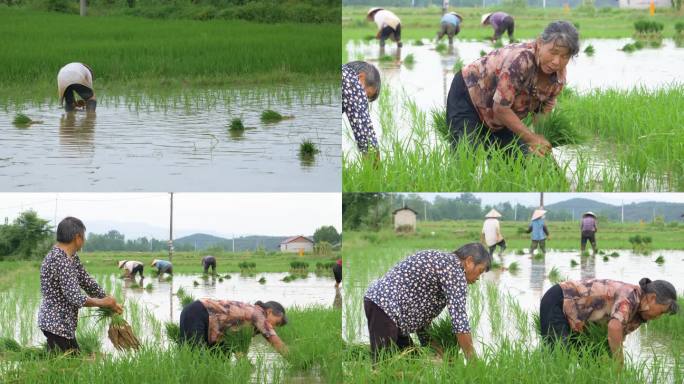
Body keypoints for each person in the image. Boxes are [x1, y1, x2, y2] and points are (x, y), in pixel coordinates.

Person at [447, 21, 578, 156]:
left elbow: (541, 113)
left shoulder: (558, 78)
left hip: (501, 115)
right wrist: (531, 138)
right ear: (540, 43)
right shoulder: (520, 61)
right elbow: (500, 108)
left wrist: (539, 139)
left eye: (564, 56)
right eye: (553, 52)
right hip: (470, 95)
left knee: (522, 161)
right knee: (466, 155)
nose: (556, 61)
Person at [364, 243, 492, 363]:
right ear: (469, 262)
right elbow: (460, 323)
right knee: (384, 365)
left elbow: (421, 318)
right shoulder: (454, 271)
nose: (478, 278)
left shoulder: (443, 263)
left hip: (388, 311)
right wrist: (473, 361)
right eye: (480, 271)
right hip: (384, 307)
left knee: (412, 362)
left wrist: (440, 353)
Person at [540, 278, 679, 366]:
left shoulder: (639, 315)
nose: (659, 316)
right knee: (559, 357)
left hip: (580, 320)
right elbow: (614, 327)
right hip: (560, 300)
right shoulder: (630, 296)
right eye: (661, 311)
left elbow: (616, 339)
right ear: (652, 298)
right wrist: (619, 364)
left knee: (592, 363)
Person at [37, 217, 123, 354]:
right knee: (70, 366)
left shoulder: (71, 256)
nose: (84, 240)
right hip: (56, 324)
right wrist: (103, 303)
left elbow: (86, 281)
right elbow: (75, 298)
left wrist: (109, 300)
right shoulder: (60, 259)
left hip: (62, 325)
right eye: (84, 236)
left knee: (62, 364)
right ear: (78, 237)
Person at [179, 298, 289, 356]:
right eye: (277, 323)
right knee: (195, 356)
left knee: (220, 358)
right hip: (198, 312)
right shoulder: (258, 315)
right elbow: (277, 344)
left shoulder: (250, 321)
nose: (274, 327)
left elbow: (237, 346)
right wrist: (299, 362)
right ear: (269, 312)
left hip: (206, 321)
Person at [342, 61, 381, 155]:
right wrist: (376, 169)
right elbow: (368, 140)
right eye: (366, 95)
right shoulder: (352, 82)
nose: (363, 100)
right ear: (361, 77)